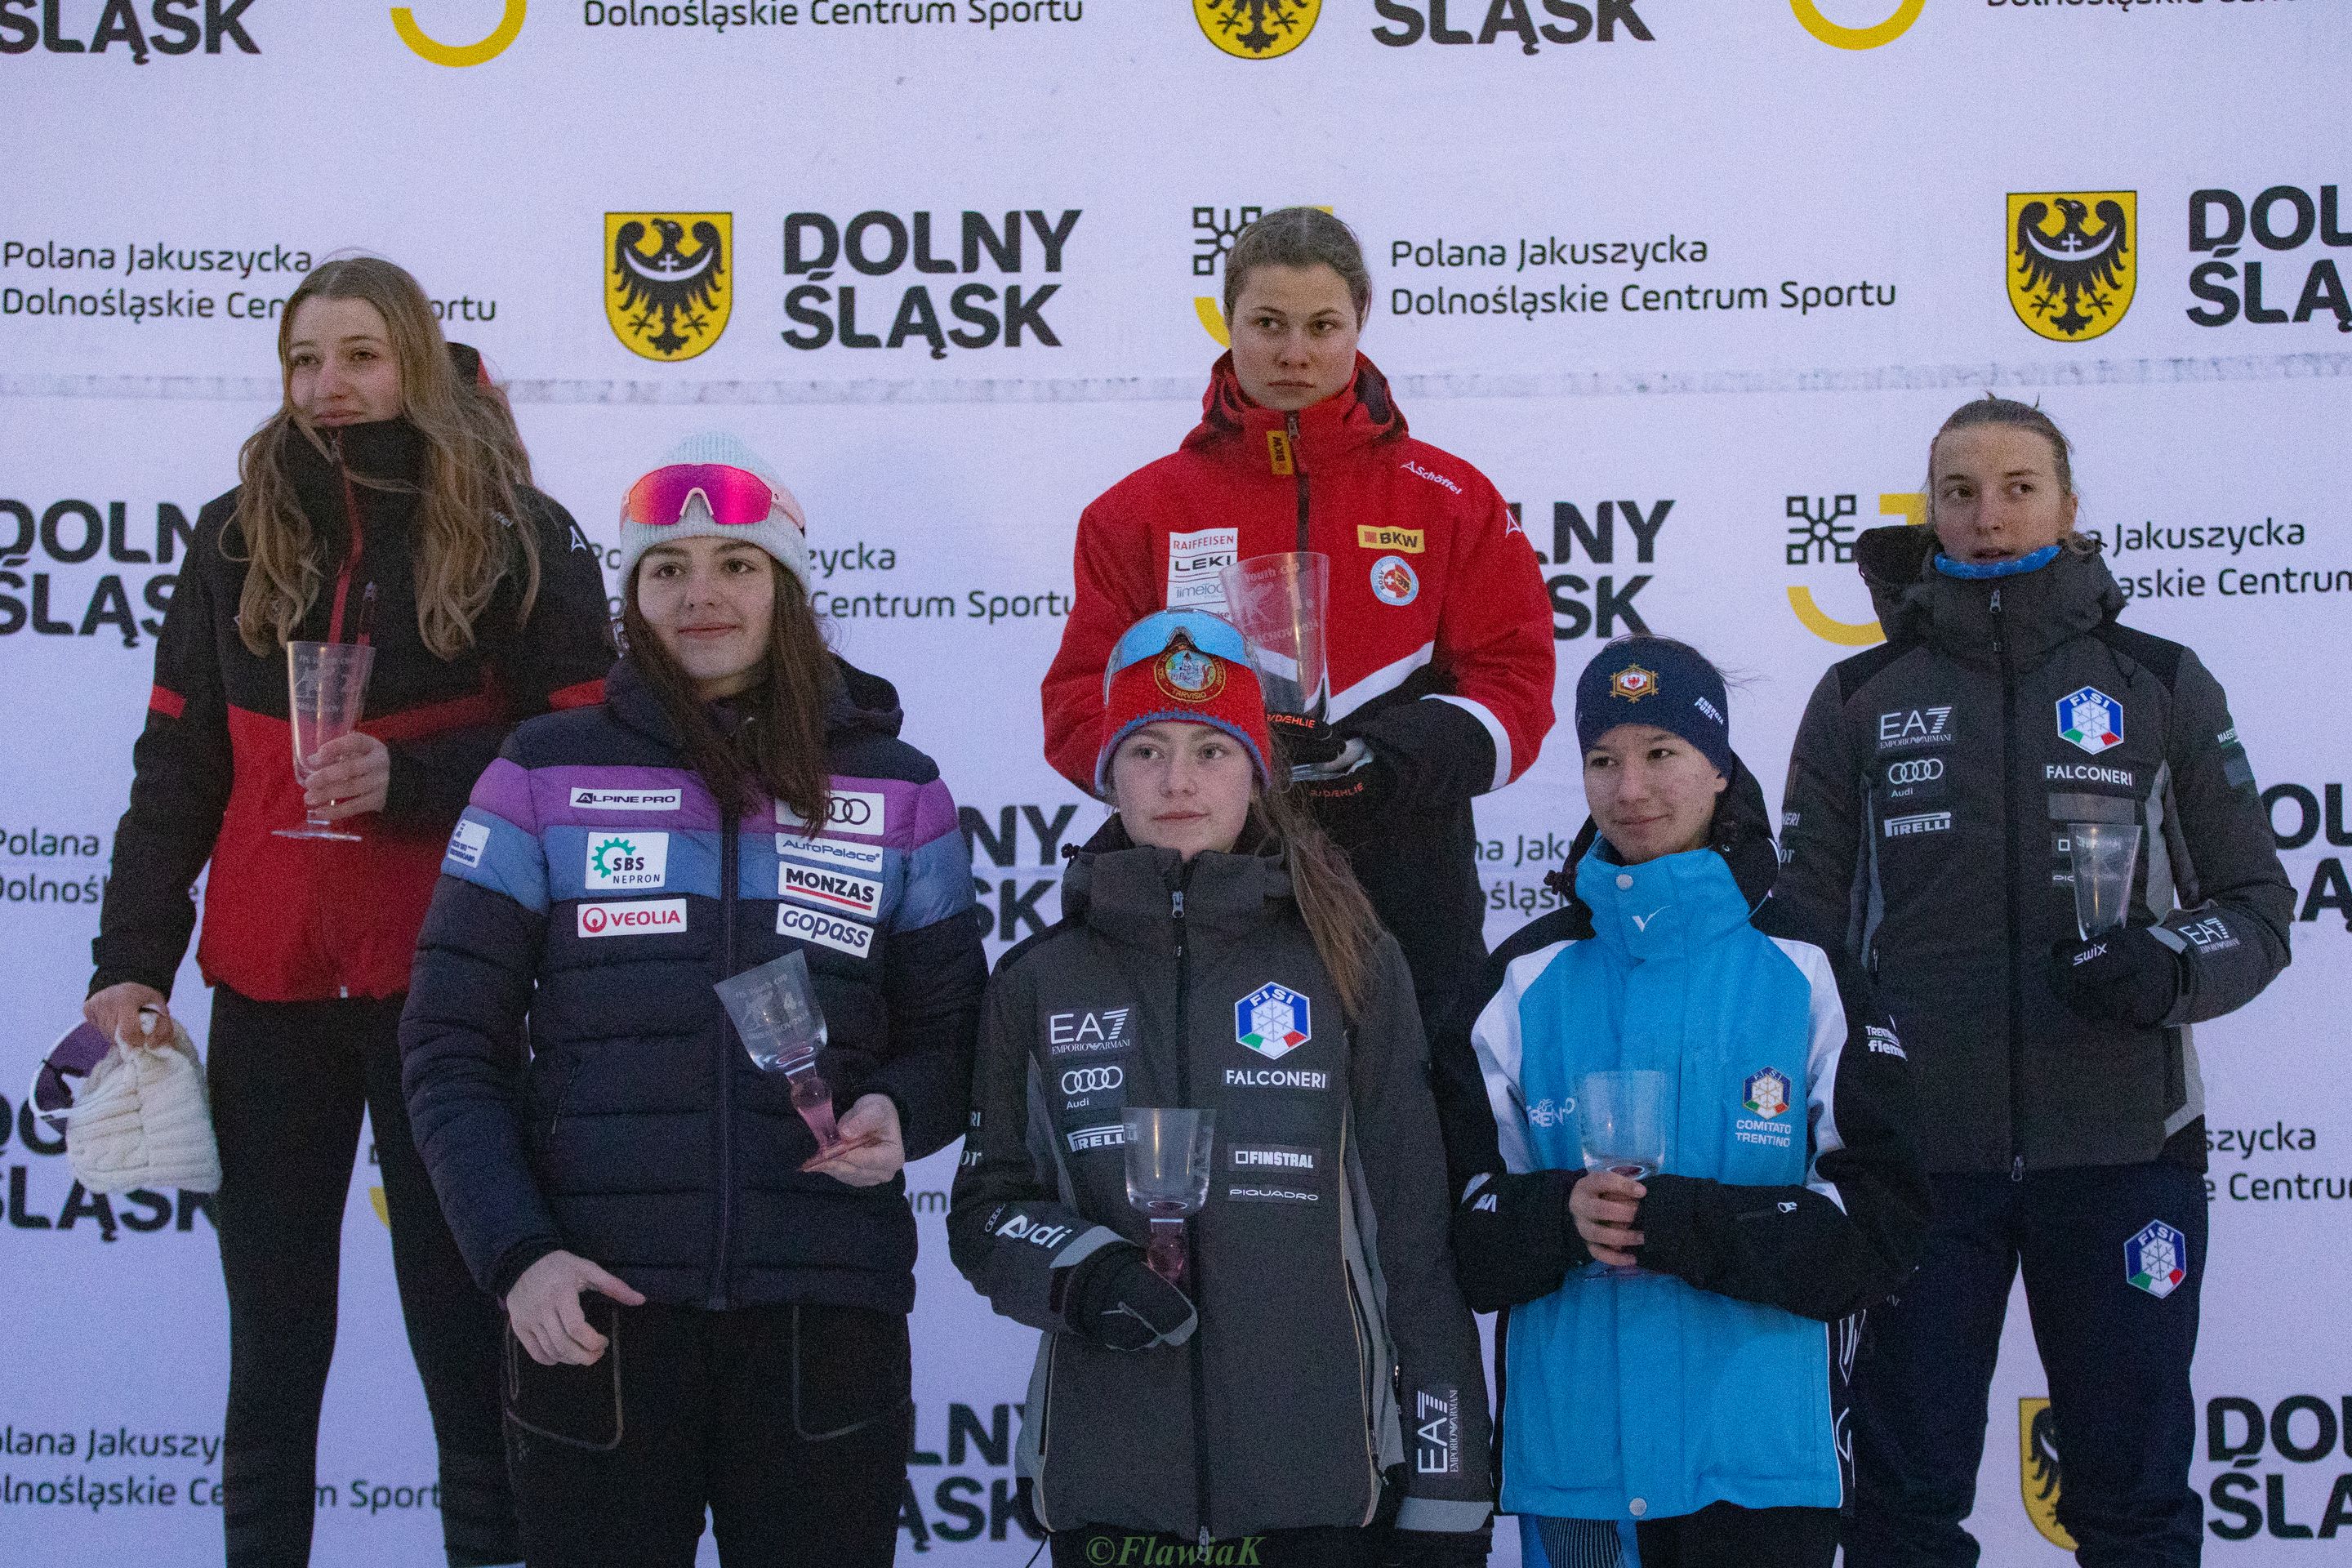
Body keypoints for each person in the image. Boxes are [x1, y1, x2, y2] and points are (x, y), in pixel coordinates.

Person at [83, 256, 613, 1568]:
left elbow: (585, 752)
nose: (331, 386)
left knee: (462, 1342)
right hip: (265, 988)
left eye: (362, 356)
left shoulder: (514, 531)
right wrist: (129, 960)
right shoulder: (230, 535)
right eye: (306, 359)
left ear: (418, 363)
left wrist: (417, 774)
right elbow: (179, 767)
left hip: (447, 996)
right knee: (272, 1350)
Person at [400, 433, 986, 1568]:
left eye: (737, 564)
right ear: (632, 598)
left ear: (789, 589)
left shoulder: (897, 786)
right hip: (599, 1312)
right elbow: (447, 1043)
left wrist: (905, 1117)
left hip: (823, 1309)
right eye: (668, 568)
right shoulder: (541, 771)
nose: (701, 593)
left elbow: (955, 1034)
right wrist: (519, 1257)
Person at [1776, 397, 2294, 1567]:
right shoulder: (1861, 698)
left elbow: (2259, 907)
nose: (1989, 514)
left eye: (2018, 487)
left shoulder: (2158, 680)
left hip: (2124, 1154)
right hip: (1919, 1169)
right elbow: (1803, 934)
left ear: (2070, 505)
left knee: (2136, 1504)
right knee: (1903, 1508)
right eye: (1959, 491)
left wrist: (2164, 970)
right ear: (1932, 513)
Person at [955, 610, 1494, 1567]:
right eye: (1148, 750)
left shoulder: (1349, 960)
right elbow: (988, 1209)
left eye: (1211, 749)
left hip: (1322, 1495)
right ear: (1108, 776)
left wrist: (1449, 1496)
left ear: (1256, 772)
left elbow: (1415, 1242)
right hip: (1113, 1501)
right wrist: (1084, 1272)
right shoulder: (1039, 979)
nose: (1177, 780)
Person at [1037, 207, 1555, 1198]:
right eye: (1268, 323)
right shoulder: (1139, 510)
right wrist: (1211, 760)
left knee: (1416, 1187)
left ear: (1362, 321)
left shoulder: (1448, 498)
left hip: (1404, 887)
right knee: (1226, 1189)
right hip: (1206, 891)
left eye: (1323, 326)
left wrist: (1391, 758)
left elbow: (1516, 684)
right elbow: (1076, 706)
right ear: (1227, 321)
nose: (1295, 351)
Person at [1446, 637, 1927, 1568]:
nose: (1631, 789)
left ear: (1718, 768)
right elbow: (1446, 1230)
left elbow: (1881, 1225)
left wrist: (1685, 1223)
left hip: (1758, 1469)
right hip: (1576, 1469)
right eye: (1603, 760)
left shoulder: (1810, 972)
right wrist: (1558, 1215)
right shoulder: (1521, 981)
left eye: (1660, 754)